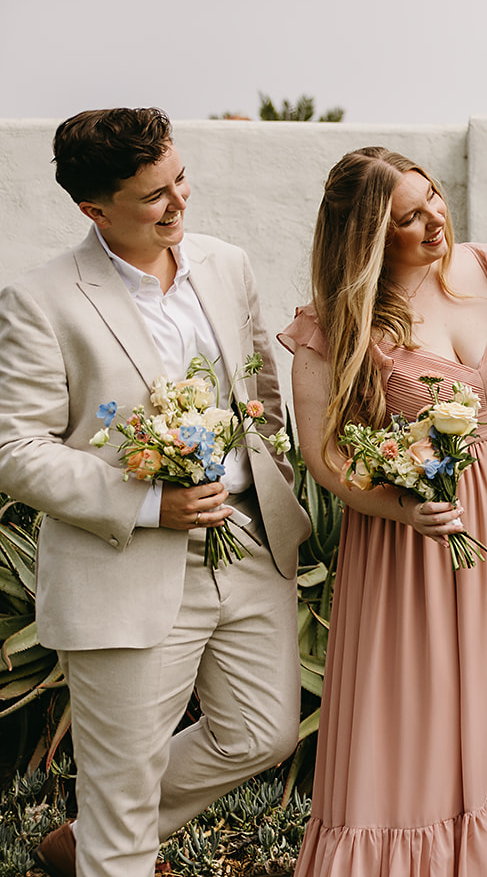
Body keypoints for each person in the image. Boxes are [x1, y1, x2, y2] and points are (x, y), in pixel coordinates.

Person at [0, 108, 309, 877]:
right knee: (123, 796)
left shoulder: (225, 261)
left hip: (247, 548)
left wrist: (268, 479)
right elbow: (14, 449)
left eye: (179, 180)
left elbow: (259, 391)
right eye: (153, 196)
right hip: (124, 563)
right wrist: (147, 503)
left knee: (258, 734)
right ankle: (112, 836)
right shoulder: (40, 300)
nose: (179, 203)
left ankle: (95, 831)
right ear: (93, 209)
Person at [281, 147, 487, 875]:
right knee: (419, 723)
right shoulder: (338, 321)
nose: (433, 222)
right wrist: (397, 508)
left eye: (434, 200)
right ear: (366, 236)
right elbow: (327, 455)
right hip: (415, 543)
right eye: (407, 218)